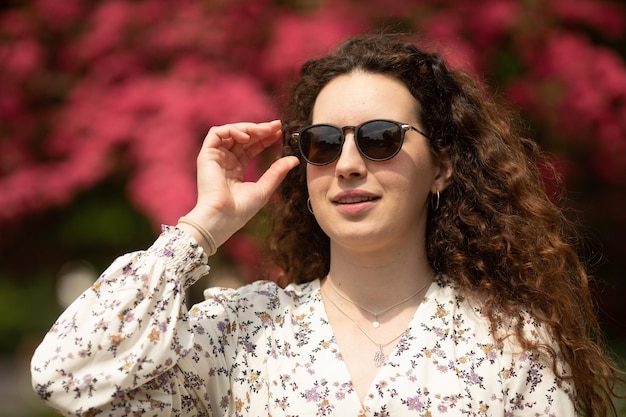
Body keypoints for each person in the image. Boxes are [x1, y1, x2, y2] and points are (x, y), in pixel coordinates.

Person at [31, 33, 623, 416]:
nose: (346, 164)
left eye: (380, 139)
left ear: (442, 166)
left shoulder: (510, 346)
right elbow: (67, 378)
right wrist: (201, 228)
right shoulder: (239, 333)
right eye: (321, 143)